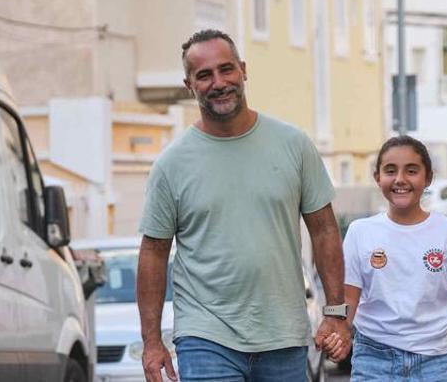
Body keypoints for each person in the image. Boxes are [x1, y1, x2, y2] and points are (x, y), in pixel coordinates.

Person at [137, 29, 351, 382]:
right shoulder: (171, 164)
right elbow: (153, 253)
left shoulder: (293, 145)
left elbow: (325, 230)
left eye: (226, 70)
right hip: (206, 336)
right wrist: (151, 341)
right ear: (189, 85)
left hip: (283, 334)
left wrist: (336, 313)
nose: (218, 82)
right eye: (204, 75)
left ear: (244, 70)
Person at [321, 136, 447, 381]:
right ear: (377, 177)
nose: (400, 179)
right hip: (373, 361)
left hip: (435, 363)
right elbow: (349, 295)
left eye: (411, 171)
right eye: (390, 171)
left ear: (428, 178)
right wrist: (338, 330)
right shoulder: (361, 231)